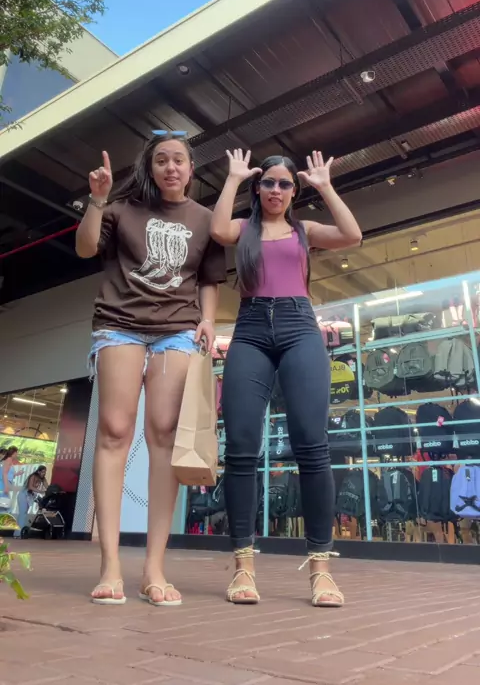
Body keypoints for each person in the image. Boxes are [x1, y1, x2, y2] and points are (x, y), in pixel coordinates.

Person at [75, 131, 226, 606]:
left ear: (191, 168)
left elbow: (209, 279)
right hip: (119, 324)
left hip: (177, 330)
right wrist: (97, 200)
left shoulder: (205, 219)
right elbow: (85, 249)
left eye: (179, 160)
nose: (170, 167)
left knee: (164, 435)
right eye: (162, 160)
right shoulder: (121, 209)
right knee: (114, 430)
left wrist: (207, 320)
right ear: (151, 167)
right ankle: (110, 565)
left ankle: (154, 569)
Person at [210, 149, 362, 608]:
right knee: (240, 447)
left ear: (294, 192)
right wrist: (233, 178)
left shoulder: (304, 230)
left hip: (299, 327)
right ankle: (243, 567)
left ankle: (321, 570)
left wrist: (325, 186)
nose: (276, 190)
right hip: (250, 328)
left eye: (284, 184)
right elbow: (217, 229)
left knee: (312, 445)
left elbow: (352, 235)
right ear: (258, 189)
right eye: (268, 182)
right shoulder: (244, 229)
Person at [14, 465, 48, 536]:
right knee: (22, 514)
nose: (44, 473)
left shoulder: (43, 479)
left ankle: (19, 532)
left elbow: (47, 487)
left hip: (30, 496)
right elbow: (30, 487)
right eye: (42, 472)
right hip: (23, 495)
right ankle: (18, 533)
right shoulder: (33, 476)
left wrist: (50, 491)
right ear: (38, 471)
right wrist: (40, 491)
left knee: (24, 514)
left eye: (45, 472)